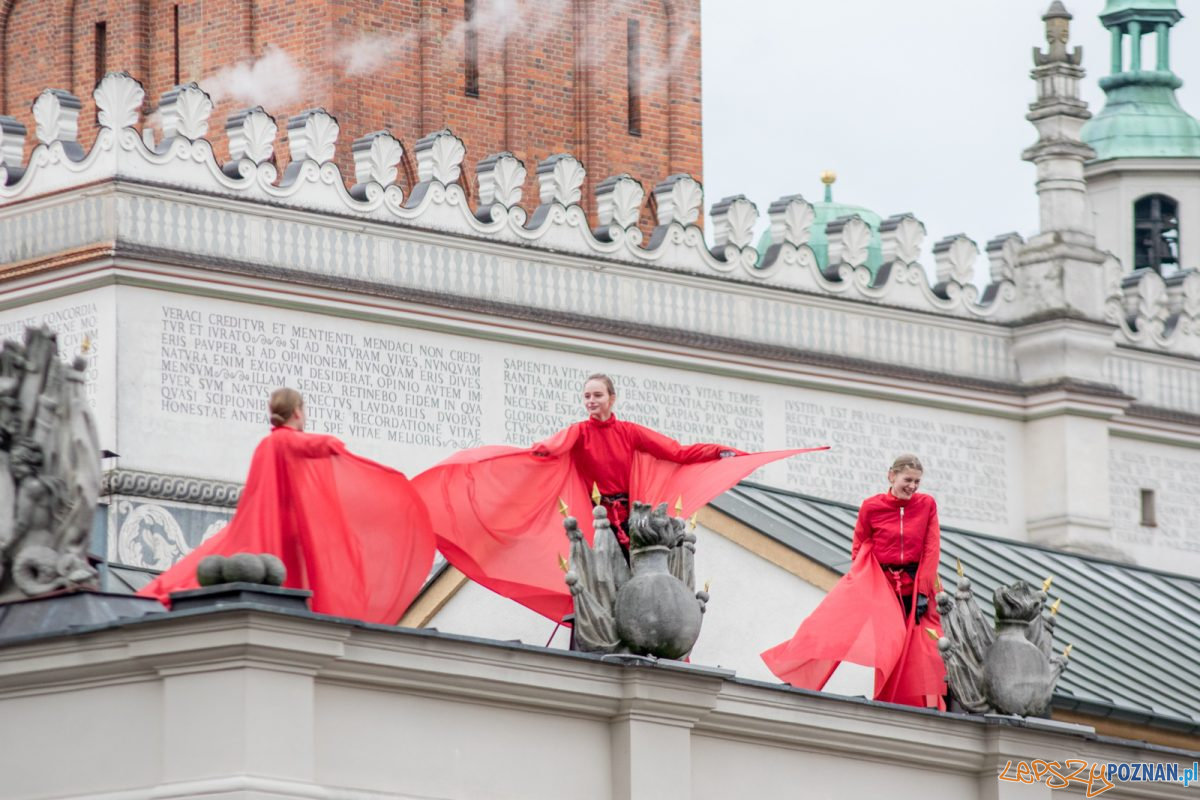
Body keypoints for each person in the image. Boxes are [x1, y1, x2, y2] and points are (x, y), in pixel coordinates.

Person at [412, 373, 826, 622]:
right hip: (598, 517)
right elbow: (552, 448)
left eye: (597, 395)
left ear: (612, 398)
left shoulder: (628, 432)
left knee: (635, 566)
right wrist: (528, 455)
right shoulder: (580, 431)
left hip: (629, 513)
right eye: (587, 397)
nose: (591, 402)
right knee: (601, 569)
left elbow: (676, 452)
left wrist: (717, 452)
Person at [139, 388, 436, 624]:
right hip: (278, 532)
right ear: (297, 411)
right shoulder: (284, 441)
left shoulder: (266, 445)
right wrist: (339, 449)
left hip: (259, 525)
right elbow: (312, 445)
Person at [761, 454, 947, 709]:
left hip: (915, 587)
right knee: (842, 628)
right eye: (908, 480)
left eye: (917, 482)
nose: (913, 487)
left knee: (924, 647)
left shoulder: (926, 505)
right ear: (891, 476)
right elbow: (859, 546)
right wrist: (862, 585)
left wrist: (924, 590)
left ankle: (911, 705)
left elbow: (931, 547)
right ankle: (797, 672)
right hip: (882, 587)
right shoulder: (872, 506)